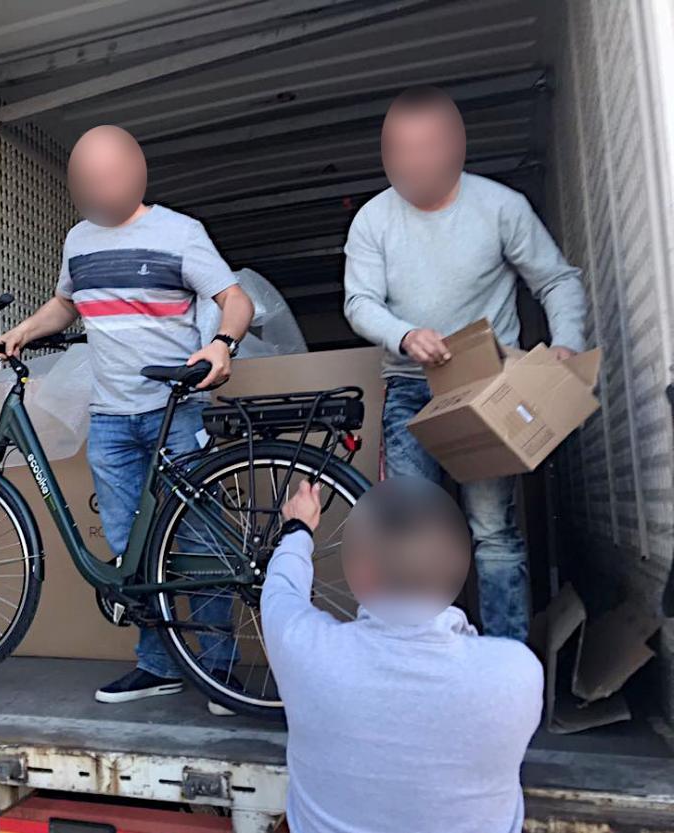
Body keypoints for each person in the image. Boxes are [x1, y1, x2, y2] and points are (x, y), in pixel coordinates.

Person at [0, 125, 255, 709]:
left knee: (199, 543)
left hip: (176, 409)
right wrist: (25, 330)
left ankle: (219, 671)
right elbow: (66, 303)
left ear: (136, 173)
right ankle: (157, 664)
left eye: (108, 176)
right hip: (110, 420)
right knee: (128, 549)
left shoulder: (180, 232)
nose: (99, 188)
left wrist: (222, 345)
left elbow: (235, 299)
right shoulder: (78, 240)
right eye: (87, 180)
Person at [343, 85, 588, 641]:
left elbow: (556, 280)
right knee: (411, 534)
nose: (410, 163)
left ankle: (505, 663)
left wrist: (567, 345)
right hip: (409, 388)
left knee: (494, 531)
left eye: (423, 148)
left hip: (487, 388)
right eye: (397, 151)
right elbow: (359, 302)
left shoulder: (500, 207)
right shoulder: (372, 220)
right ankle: (426, 660)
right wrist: (405, 336)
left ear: (456, 146)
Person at [262, 477, 543, 833]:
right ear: (455, 571)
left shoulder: (303, 648)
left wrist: (298, 527)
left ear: (361, 573)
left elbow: (281, 588)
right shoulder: (517, 672)